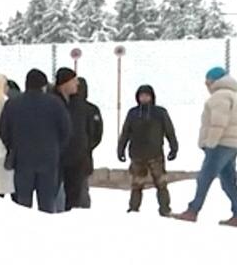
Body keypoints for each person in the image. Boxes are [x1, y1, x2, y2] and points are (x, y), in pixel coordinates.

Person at [0, 68, 71, 213]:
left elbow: (4, 131)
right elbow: (66, 130)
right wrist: (57, 148)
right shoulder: (55, 103)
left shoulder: (12, 104)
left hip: (22, 158)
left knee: (22, 204)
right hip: (48, 158)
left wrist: (12, 147)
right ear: (43, 86)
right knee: (46, 203)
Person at [174, 67, 237, 225]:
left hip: (220, 143)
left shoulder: (220, 96)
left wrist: (210, 143)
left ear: (214, 80)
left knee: (204, 178)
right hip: (232, 144)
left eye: (207, 81)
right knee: (228, 181)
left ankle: (193, 211)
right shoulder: (233, 95)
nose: (206, 84)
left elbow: (218, 123)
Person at [117, 84, 179, 216]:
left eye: (147, 95)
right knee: (136, 184)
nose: (144, 98)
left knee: (161, 184)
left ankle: (165, 208)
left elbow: (169, 131)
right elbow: (126, 132)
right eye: (141, 96)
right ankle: (133, 208)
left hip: (155, 154)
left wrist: (174, 147)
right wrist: (120, 149)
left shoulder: (160, 113)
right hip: (137, 155)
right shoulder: (133, 113)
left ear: (152, 97)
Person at [58, 76, 103, 209]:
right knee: (80, 191)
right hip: (83, 157)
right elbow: (97, 134)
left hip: (63, 156)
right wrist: (87, 147)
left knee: (64, 191)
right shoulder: (92, 109)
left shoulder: (63, 106)